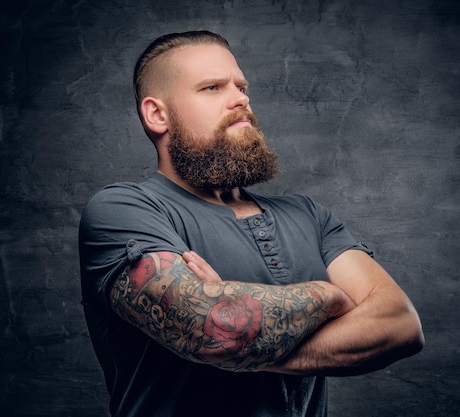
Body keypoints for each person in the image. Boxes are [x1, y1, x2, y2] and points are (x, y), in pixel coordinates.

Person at [79, 30, 424, 417]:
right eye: (212, 88)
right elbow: (210, 328)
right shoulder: (124, 209)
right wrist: (329, 297)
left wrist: (246, 347)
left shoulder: (307, 215)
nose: (240, 99)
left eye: (241, 87)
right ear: (157, 115)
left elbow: (401, 324)